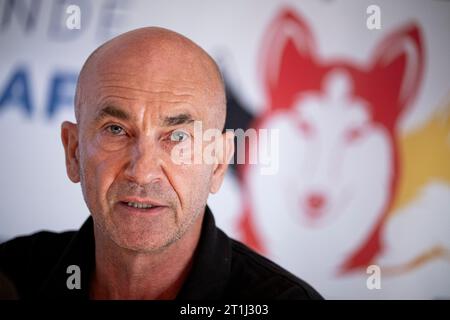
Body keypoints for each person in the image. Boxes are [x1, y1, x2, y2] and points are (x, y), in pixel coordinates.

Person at [0, 27, 322, 300]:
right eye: (116, 129)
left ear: (219, 163)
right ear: (73, 152)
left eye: (178, 137)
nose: (142, 171)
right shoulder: (12, 277)